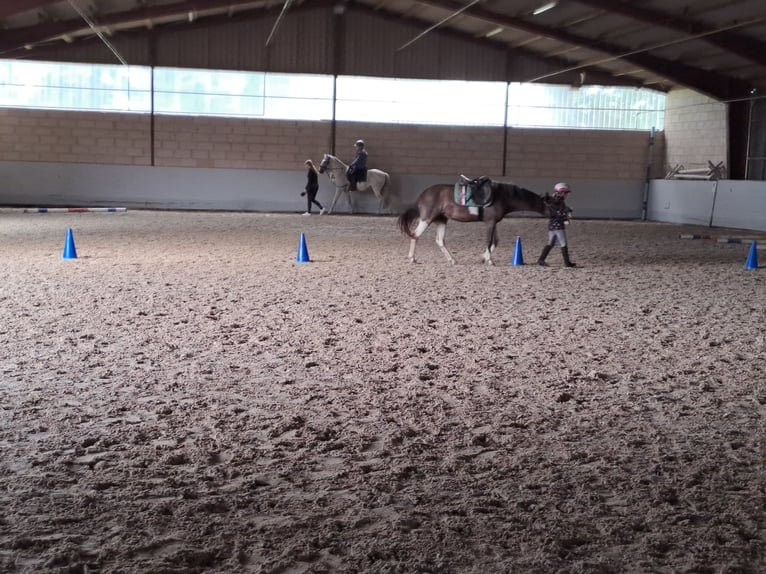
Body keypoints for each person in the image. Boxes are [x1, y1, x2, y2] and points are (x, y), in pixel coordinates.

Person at [537, 182, 576, 267]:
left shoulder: (556, 200)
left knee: (550, 243)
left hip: (552, 226)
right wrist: (565, 218)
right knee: (563, 243)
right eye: (566, 193)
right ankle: (567, 263)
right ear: (562, 192)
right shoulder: (558, 201)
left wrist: (568, 211)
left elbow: (562, 209)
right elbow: (557, 212)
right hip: (558, 225)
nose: (566, 195)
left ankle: (541, 260)